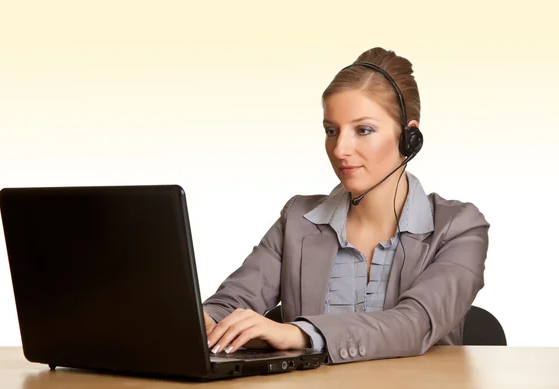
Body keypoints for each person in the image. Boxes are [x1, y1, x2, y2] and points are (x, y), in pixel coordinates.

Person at [201, 47, 490, 365]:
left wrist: (300, 334)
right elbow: (233, 300)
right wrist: (206, 320)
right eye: (331, 131)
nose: (340, 149)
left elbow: (416, 323)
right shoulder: (298, 219)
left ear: (410, 138)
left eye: (363, 130)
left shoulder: (459, 227)